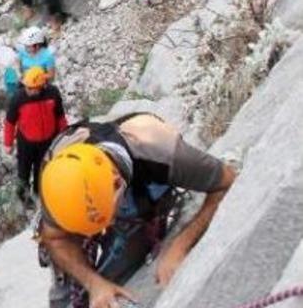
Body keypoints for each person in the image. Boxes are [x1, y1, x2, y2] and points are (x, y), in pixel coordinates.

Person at [37, 113, 237, 308]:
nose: (103, 230)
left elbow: (226, 181)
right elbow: (55, 238)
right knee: (66, 294)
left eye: (107, 220)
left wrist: (180, 245)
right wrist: (93, 283)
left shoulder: (159, 150)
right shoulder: (57, 182)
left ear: (117, 182)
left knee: (123, 266)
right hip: (96, 197)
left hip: (140, 188)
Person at [2, 67, 67, 206]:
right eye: (27, 87)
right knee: (23, 170)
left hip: (48, 140)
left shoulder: (53, 94)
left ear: (42, 85)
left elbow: (60, 116)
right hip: (26, 142)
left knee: (42, 168)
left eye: (33, 88)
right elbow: (9, 122)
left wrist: (64, 135)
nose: (29, 90)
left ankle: (39, 191)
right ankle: (23, 196)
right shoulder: (18, 98)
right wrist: (8, 143)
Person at [4, 26, 56, 97]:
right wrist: (19, 72)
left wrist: (35, 76)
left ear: (37, 46)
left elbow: (51, 75)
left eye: (28, 46)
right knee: (9, 73)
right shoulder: (24, 50)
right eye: (25, 45)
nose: (26, 48)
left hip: (37, 84)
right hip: (23, 80)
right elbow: (14, 48)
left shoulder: (47, 56)